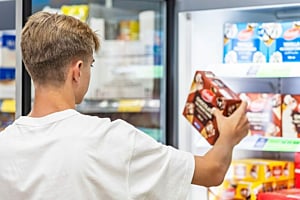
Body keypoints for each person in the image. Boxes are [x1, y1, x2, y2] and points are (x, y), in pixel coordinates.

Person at [0, 11, 249, 200]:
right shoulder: (109, 139)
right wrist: (228, 136)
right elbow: (212, 171)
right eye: (91, 66)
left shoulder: (5, 144)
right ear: (77, 71)